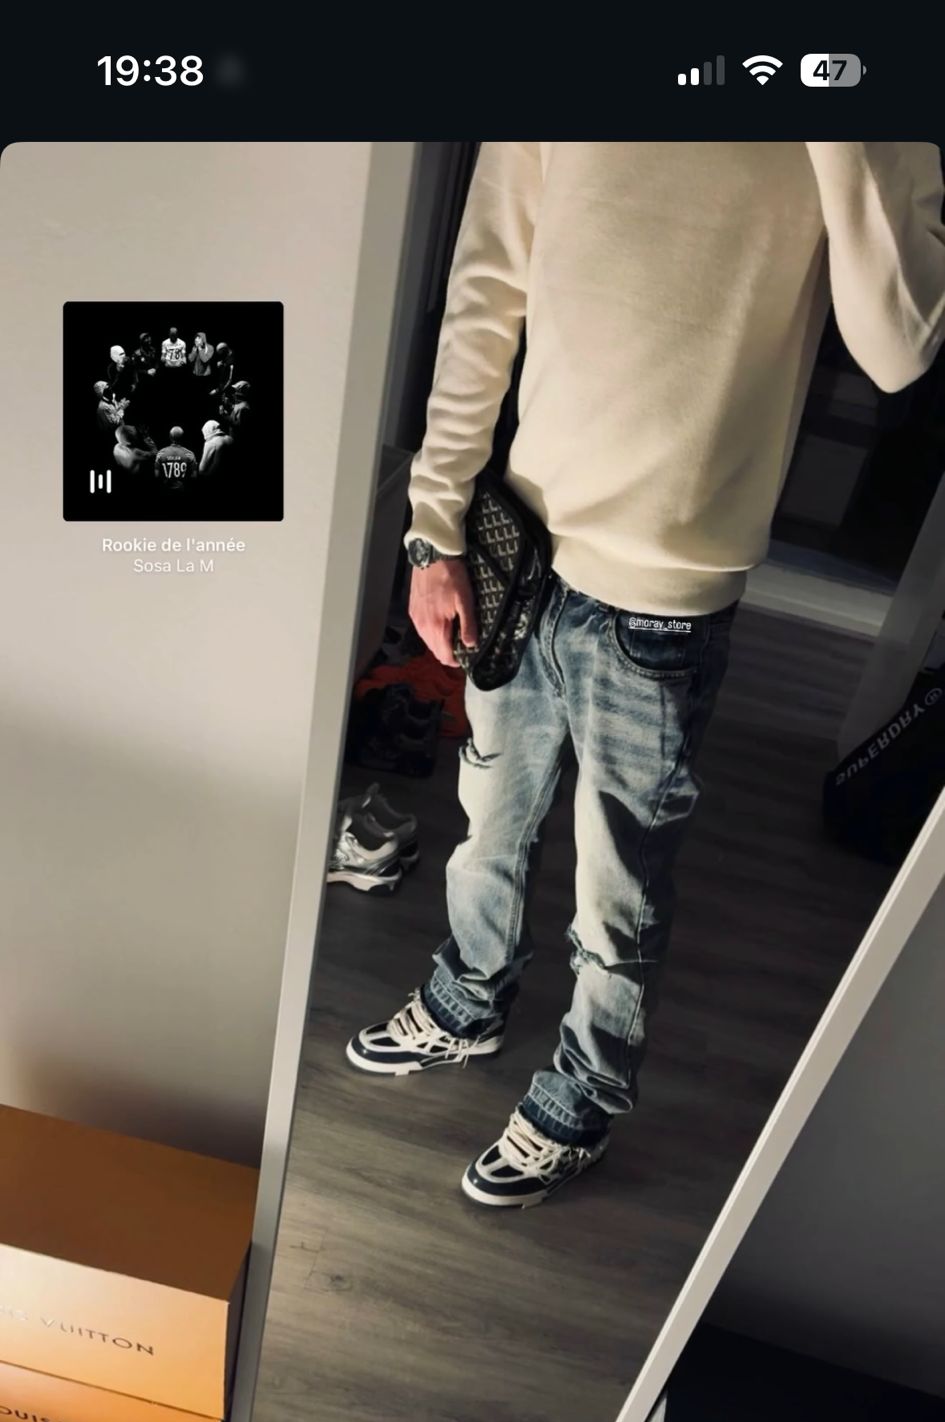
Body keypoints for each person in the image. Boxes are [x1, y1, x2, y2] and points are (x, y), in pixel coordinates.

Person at [347, 141, 945, 1209]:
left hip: (668, 588)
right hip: (519, 546)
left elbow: (901, 348)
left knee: (617, 888)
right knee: (488, 822)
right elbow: (487, 285)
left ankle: (586, 1090)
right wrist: (434, 525)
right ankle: (470, 995)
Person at [153, 424, 198, 492]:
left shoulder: (161, 453)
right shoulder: (190, 454)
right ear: (182, 438)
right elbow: (194, 476)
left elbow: (157, 475)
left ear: (170, 437)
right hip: (182, 489)